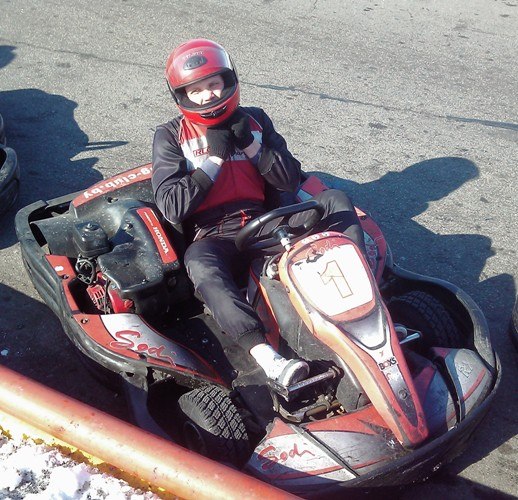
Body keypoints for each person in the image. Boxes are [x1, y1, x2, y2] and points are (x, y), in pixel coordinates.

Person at [152, 39, 365, 387]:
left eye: (212, 84)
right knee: (200, 264)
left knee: (335, 200)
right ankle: (268, 358)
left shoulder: (255, 120)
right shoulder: (171, 136)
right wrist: (214, 160)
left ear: (228, 81)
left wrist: (252, 145)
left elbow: (290, 179)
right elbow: (171, 205)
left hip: (266, 222)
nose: (206, 96)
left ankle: (368, 302)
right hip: (214, 235)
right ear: (181, 95)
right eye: (195, 90)